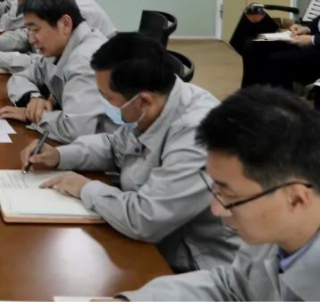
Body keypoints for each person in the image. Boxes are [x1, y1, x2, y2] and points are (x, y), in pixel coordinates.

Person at [20, 33, 240, 273]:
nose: (103, 104)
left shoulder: (197, 134)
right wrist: (60, 156)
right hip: (158, 242)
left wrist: (85, 188)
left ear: (143, 100)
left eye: (108, 98)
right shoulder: (156, 103)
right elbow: (115, 146)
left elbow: (146, 219)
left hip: (197, 266)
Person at [118, 86, 320, 301]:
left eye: (231, 196)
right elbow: (231, 287)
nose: (216, 209)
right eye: (216, 188)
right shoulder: (274, 227)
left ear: (296, 198)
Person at [1, 0, 108, 143]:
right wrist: (33, 99)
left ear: (65, 24)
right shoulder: (59, 47)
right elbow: (21, 76)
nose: (31, 39)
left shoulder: (86, 60)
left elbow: (75, 130)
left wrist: (33, 116)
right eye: (29, 30)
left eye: (35, 30)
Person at [230, 4, 320, 89]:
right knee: (254, 47)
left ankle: (280, 97)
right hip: (309, 40)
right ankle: (250, 92)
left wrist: (312, 39)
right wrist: (306, 29)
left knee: (276, 59)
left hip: (316, 47)